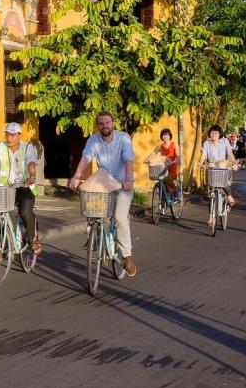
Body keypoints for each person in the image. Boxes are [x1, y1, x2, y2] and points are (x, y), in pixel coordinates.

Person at [68, 111, 137, 277]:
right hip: (103, 185)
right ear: (97, 126)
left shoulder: (123, 138)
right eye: (101, 123)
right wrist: (77, 176)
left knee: (120, 217)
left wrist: (128, 180)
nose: (105, 126)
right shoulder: (93, 140)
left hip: (122, 184)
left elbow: (128, 159)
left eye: (108, 123)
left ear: (113, 123)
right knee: (93, 211)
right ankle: (96, 235)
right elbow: (86, 158)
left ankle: (127, 255)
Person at [0, 121, 41, 255]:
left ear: (19, 135)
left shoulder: (27, 147)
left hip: (25, 187)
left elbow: (31, 163)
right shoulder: (0, 147)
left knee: (25, 212)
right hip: (6, 188)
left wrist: (32, 176)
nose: (9, 138)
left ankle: (32, 239)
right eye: (7, 135)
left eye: (12, 135)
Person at [201, 124, 237, 228]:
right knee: (211, 194)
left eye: (216, 133)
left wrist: (233, 162)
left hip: (223, 167)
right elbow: (203, 155)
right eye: (212, 133)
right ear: (209, 134)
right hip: (212, 168)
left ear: (220, 134)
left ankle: (229, 197)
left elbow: (229, 153)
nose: (214, 134)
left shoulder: (225, 141)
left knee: (223, 183)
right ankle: (211, 217)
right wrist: (200, 162)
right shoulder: (206, 143)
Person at [143, 128, 182, 204]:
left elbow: (178, 158)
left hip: (173, 170)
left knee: (167, 178)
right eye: (163, 135)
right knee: (161, 181)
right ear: (161, 136)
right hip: (163, 169)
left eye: (167, 134)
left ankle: (176, 192)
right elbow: (153, 155)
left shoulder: (174, 145)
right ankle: (163, 202)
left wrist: (173, 162)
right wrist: (146, 160)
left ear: (170, 136)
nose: (165, 136)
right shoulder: (160, 147)